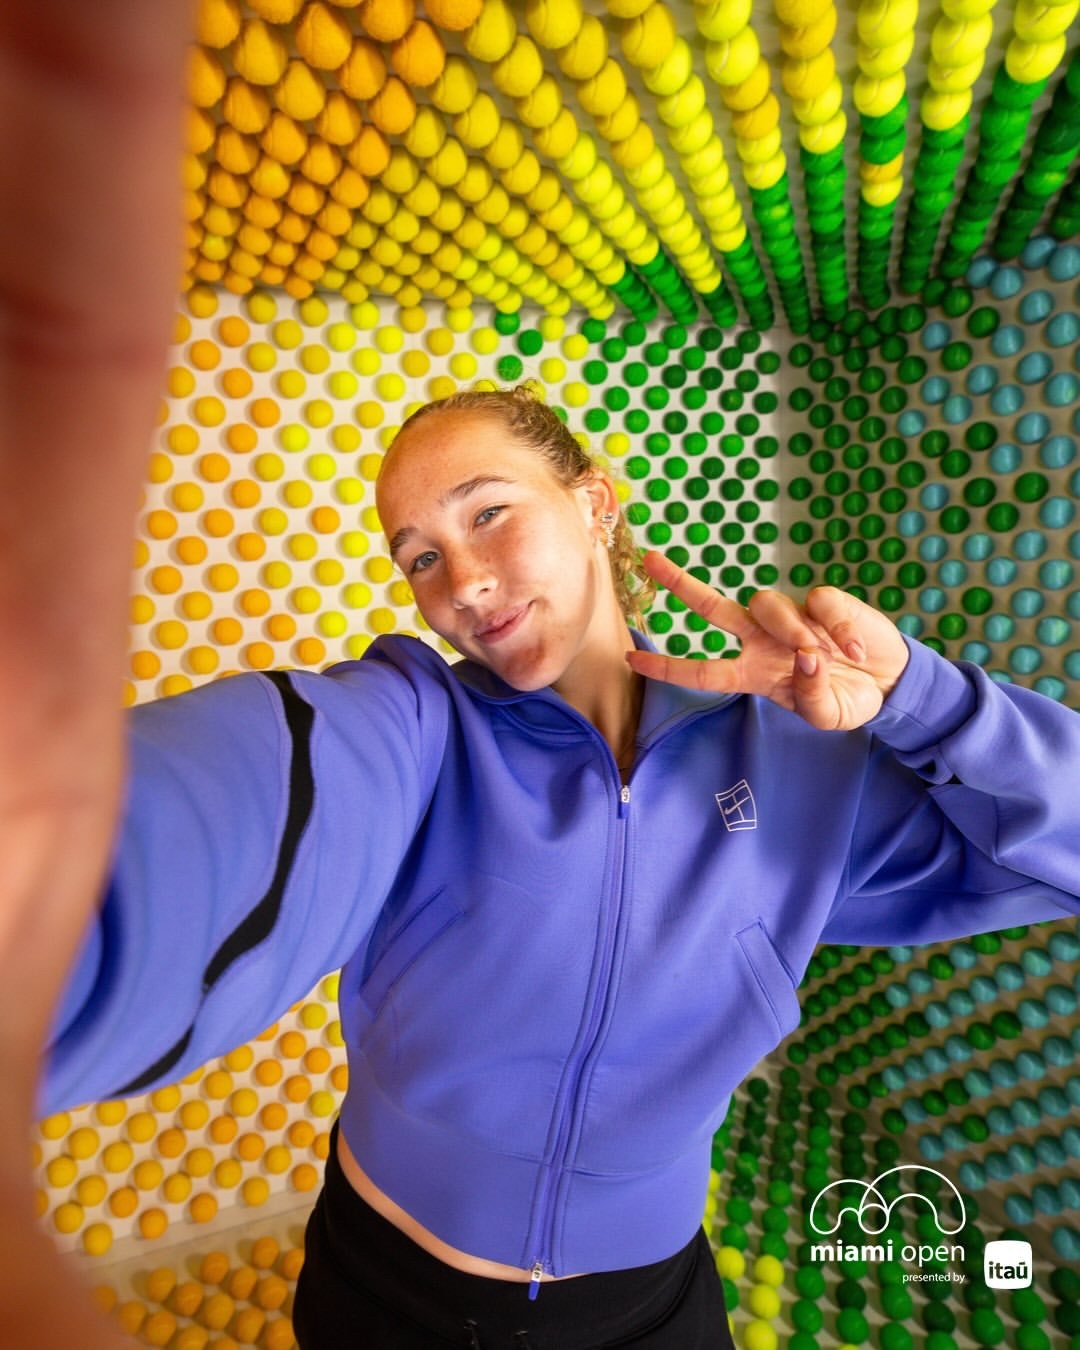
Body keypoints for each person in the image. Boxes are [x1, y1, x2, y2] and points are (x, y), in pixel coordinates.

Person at [6, 8, 1080, 1350]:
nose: (457, 577)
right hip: (381, 1291)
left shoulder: (799, 767)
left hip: (652, 1305)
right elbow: (233, 810)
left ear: (595, 501)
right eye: (419, 554)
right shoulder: (415, 729)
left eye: (488, 511)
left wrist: (919, 696)